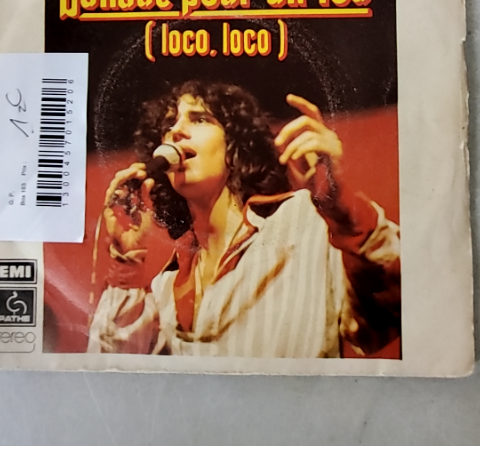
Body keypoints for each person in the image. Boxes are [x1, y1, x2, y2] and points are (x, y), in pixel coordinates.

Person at [87, 80, 401, 358]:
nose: (175, 131)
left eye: (199, 119)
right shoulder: (165, 286)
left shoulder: (307, 222)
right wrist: (126, 263)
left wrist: (343, 209)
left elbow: (398, 305)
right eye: (169, 125)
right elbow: (110, 375)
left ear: (234, 146)